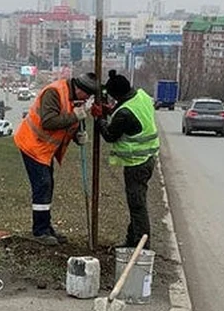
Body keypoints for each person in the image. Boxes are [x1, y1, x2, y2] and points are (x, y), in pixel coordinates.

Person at [14, 72, 99, 246]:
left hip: (45, 149)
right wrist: (75, 116)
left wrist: (78, 135)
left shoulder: (76, 99)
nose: (88, 99)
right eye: (87, 95)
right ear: (79, 88)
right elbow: (49, 122)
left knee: (48, 185)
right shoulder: (54, 93)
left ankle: (46, 227)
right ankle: (40, 231)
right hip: (32, 144)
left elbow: (69, 123)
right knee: (43, 185)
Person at [92, 69, 160, 249]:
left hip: (136, 163)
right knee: (136, 203)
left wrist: (99, 118)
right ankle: (133, 240)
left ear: (116, 95)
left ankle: (141, 248)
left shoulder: (124, 113)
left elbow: (110, 135)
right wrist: (111, 110)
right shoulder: (141, 96)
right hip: (148, 158)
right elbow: (127, 112)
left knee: (137, 206)